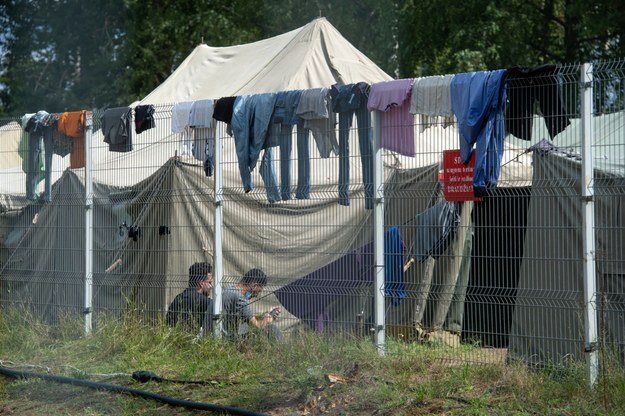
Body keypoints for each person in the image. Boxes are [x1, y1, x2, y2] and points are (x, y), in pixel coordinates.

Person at [221, 268, 282, 341]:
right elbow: (257, 326)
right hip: (225, 338)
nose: (256, 295)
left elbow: (247, 316)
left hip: (220, 334)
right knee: (271, 328)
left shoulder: (231, 290)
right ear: (254, 285)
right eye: (258, 291)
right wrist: (268, 319)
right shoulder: (239, 298)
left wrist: (264, 314)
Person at [166, 262, 214, 332]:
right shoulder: (204, 301)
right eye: (209, 282)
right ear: (201, 283)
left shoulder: (178, 298)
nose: (211, 286)